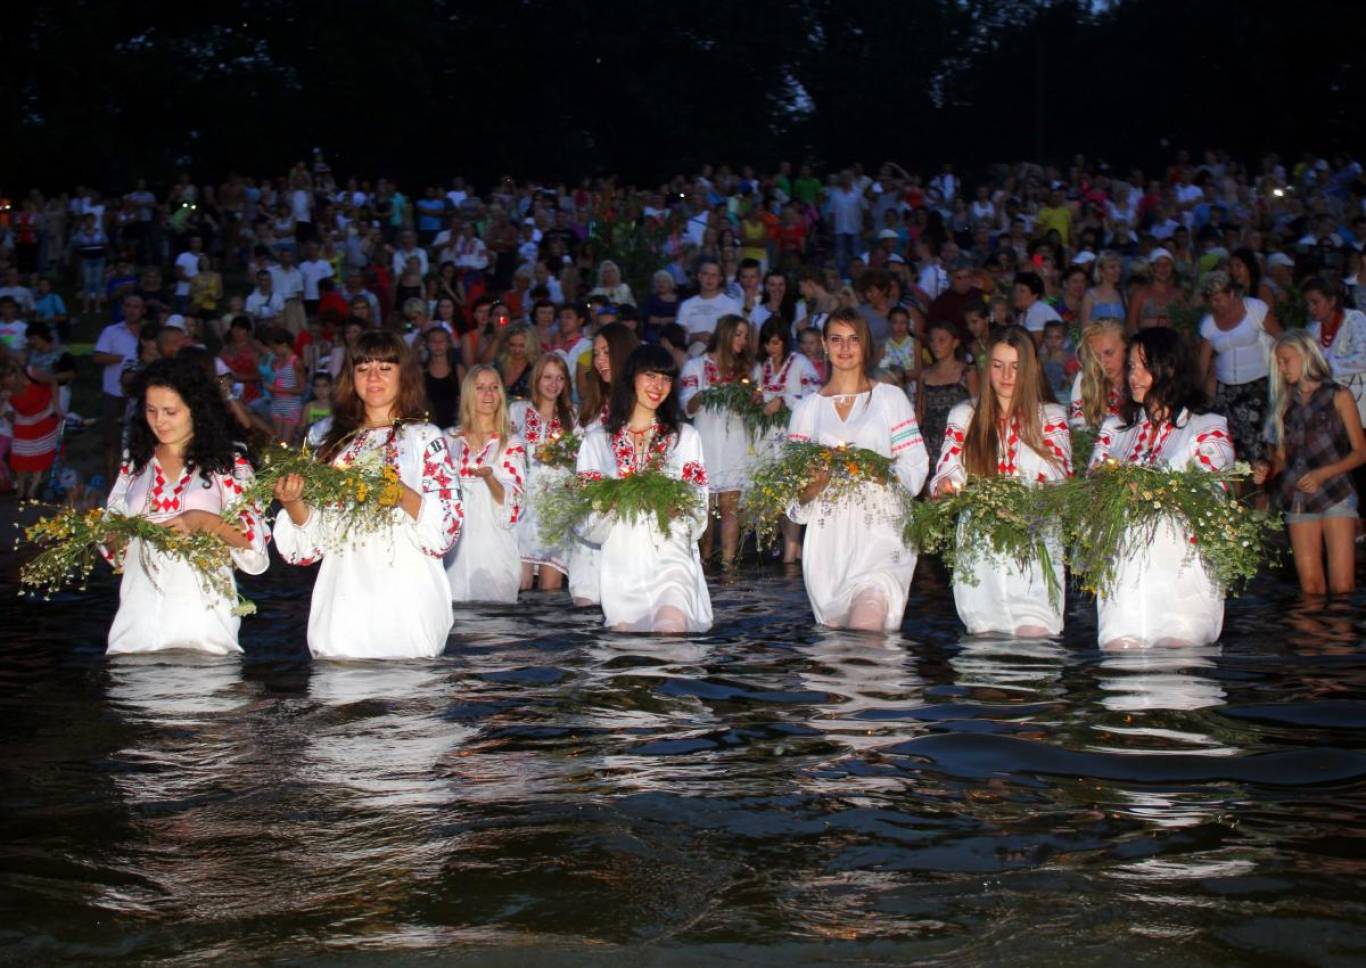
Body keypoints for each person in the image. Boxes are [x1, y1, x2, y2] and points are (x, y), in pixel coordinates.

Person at [272, 331, 463, 659]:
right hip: (344, 610)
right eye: (363, 368)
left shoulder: (424, 438)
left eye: (385, 368)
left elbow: (446, 530)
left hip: (406, 606)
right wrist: (293, 504)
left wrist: (402, 495)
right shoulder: (325, 440)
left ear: (404, 375)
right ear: (351, 377)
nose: (373, 376)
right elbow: (309, 546)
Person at [102, 357, 270, 655]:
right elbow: (112, 545)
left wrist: (206, 522)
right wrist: (114, 533)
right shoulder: (135, 462)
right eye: (151, 411)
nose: (159, 421)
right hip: (135, 629)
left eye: (170, 411)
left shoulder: (228, 463)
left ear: (196, 410)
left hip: (203, 629)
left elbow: (255, 549)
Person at [785, 308, 930, 632]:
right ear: (824, 344)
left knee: (868, 624)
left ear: (865, 345)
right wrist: (813, 485)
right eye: (836, 339)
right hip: (830, 541)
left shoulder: (890, 399)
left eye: (853, 340)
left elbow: (916, 465)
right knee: (840, 649)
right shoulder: (807, 409)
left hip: (882, 531)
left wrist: (886, 476)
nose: (845, 348)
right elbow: (793, 496)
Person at [1089, 327, 1234, 648]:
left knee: (1178, 659)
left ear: (1170, 368)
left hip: (1181, 571)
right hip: (1125, 572)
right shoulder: (1115, 429)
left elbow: (1212, 488)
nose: (1133, 376)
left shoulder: (1205, 427)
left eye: (1144, 366)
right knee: (1119, 651)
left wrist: (1153, 488)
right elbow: (1093, 483)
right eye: (1131, 366)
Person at [930, 326, 1072, 636]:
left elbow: (1061, 477)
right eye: (998, 365)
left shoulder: (1050, 417)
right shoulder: (964, 414)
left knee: (1035, 642)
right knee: (984, 641)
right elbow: (948, 466)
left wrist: (1025, 501)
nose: (1007, 375)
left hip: (1034, 548)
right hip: (981, 551)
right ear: (986, 368)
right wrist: (946, 486)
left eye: (1016, 367)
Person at [575, 344, 713, 633]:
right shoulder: (596, 442)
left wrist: (676, 508)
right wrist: (613, 499)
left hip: (671, 554)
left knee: (671, 628)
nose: (658, 386)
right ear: (631, 378)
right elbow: (584, 522)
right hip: (622, 566)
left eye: (666, 378)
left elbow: (698, 508)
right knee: (629, 653)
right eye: (650, 375)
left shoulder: (685, 438)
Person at [1254, 330, 1366, 595]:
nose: (1281, 368)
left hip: (1336, 491)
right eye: (1278, 363)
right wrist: (1266, 470)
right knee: (1311, 590)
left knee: (1343, 587)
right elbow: (1280, 458)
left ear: (1306, 355)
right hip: (1298, 496)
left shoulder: (1339, 396)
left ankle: (1339, 636)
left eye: (1285, 360)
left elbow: (1361, 452)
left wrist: (1323, 473)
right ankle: (1312, 635)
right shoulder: (1283, 404)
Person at [568, 322, 639, 606]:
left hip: (627, 525)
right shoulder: (592, 404)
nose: (599, 361)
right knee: (586, 602)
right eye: (595, 354)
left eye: (606, 352)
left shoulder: (641, 405)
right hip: (591, 521)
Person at [443, 365, 526, 604]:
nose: (488, 394)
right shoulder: (448, 439)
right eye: (480, 388)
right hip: (455, 551)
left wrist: (489, 477)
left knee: (494, 626)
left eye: (494, 388)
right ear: (469, 393)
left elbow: (513, 503)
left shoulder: (510, 443)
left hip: (494, 548)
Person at [680, 313, 755, 567]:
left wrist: (750, 400)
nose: (743, 340)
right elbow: (687, 405)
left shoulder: (744, 371)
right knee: (705, 508)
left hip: (735, 442)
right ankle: (702, 564)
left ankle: (728, 566)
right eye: (739, 334)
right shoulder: (696, 366)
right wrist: (708, 393)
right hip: (706, 442)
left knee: (730, 506)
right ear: (725, 334)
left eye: (746, 336)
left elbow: (752, 411)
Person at [753, 317, 821, 563]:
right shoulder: (763, 366)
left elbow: (814, 393)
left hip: (793, 435)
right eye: (767, 344)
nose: (771, 348)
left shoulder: (800, 363)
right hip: (768, 439)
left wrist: (784, 400)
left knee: (791, 493)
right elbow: (757, 391)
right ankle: (793, 551)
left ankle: (790, 558)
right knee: (776, 496)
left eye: (775, 343)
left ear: (784, 342)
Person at [1197, 270, 1280, 463]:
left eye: (1219, 299)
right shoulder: (1209, 323)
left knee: (1257, 440)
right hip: (1226, 390)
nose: (1215, 305)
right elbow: (1203, 361)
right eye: (1211, 301)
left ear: (1232, 294)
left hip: (1257, 386)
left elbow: (1281, 338)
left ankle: (1262, 488)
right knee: (1232, 443)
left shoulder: (1255, 309)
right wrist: (1196, 391)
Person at [509, 354, 576, 591]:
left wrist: (567, 456)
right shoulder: (517, 411)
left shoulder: (574, 417)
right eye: (547, 377)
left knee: (551, 587)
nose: (553, 384)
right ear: (537, 378)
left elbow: (583, 461)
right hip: (525, 508)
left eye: (560, 378)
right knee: (521, 582)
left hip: (558, 509)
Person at [917, 320, 979, 476]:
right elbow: (920, 411)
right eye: (932, 340)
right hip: (929, 442)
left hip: (957, 440)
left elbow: (977, 409)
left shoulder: (967, 372)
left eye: (942, 340)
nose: (936, 345)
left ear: (955, 342)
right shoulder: (925, 375)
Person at [1303, 276, 1366, 424]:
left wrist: (1326, 366)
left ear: (1332, 301)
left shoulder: (1355, 319)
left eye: (1315, 302)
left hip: (1361, 401)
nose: (1310, 308)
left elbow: (1364, 357)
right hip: (1332, 405)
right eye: (1307, 303)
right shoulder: (1313, 329)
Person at [1, 357, 61, 499]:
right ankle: (21, 489)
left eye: (8, 377)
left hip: (43, 411)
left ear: (14, 374)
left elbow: (53, 381)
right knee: (20, 452)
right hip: (23, 416)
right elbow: (4, 411)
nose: (7, 382)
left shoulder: (30, 373)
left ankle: (33, 488)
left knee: (40, 450)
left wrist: (57, 406)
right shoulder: (4, 389)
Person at [1069, 318, 1127, 430]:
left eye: (1109, 353)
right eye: (1096, 356)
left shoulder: (1142, 378)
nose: (1102, 362)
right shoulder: (1085, 378)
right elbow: (1079, 430)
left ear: (1126, 347)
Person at [676, 259, 740, 353]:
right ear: (699, 276)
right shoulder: (686, 305)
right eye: (706, 274)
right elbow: (679, 338)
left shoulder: (731, 304)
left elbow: (737, 334)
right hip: (693, 357)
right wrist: (696, 337)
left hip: (722, 355)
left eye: (714, 275)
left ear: (720, 279)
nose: (709, 279)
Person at [422, 326, 462, 429]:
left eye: (441, 341)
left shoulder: (458, 370)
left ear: (448, 344)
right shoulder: (420, 371)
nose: (437, 344)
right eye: (433, 341)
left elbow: (465, 399)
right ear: (427, 344)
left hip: (454, 426)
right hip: (427, 426)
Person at [1079, 252, 1127, 333]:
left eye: (1119, 267)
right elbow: (1085, 328)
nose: (1117, 270)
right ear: (1101, 271)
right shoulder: (1090, 296)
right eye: (1112, 267)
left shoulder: (1122, 294)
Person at [494, 322, 536, 400]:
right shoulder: (498, 364)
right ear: (506, 344)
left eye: (521, 346)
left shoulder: (535, 369)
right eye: (512, 345)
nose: (517, 350)